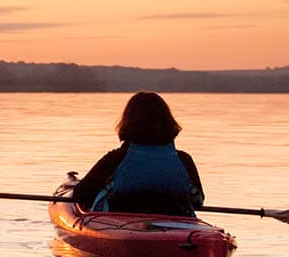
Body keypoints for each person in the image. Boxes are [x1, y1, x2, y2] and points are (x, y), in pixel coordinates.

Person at [73, 92, 204, 216]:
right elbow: (198, 201)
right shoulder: (183, 160)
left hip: (119, 225)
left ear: (128, 123)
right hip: (178, 225)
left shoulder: (116, 159)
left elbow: (81, 195)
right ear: (168, 122)